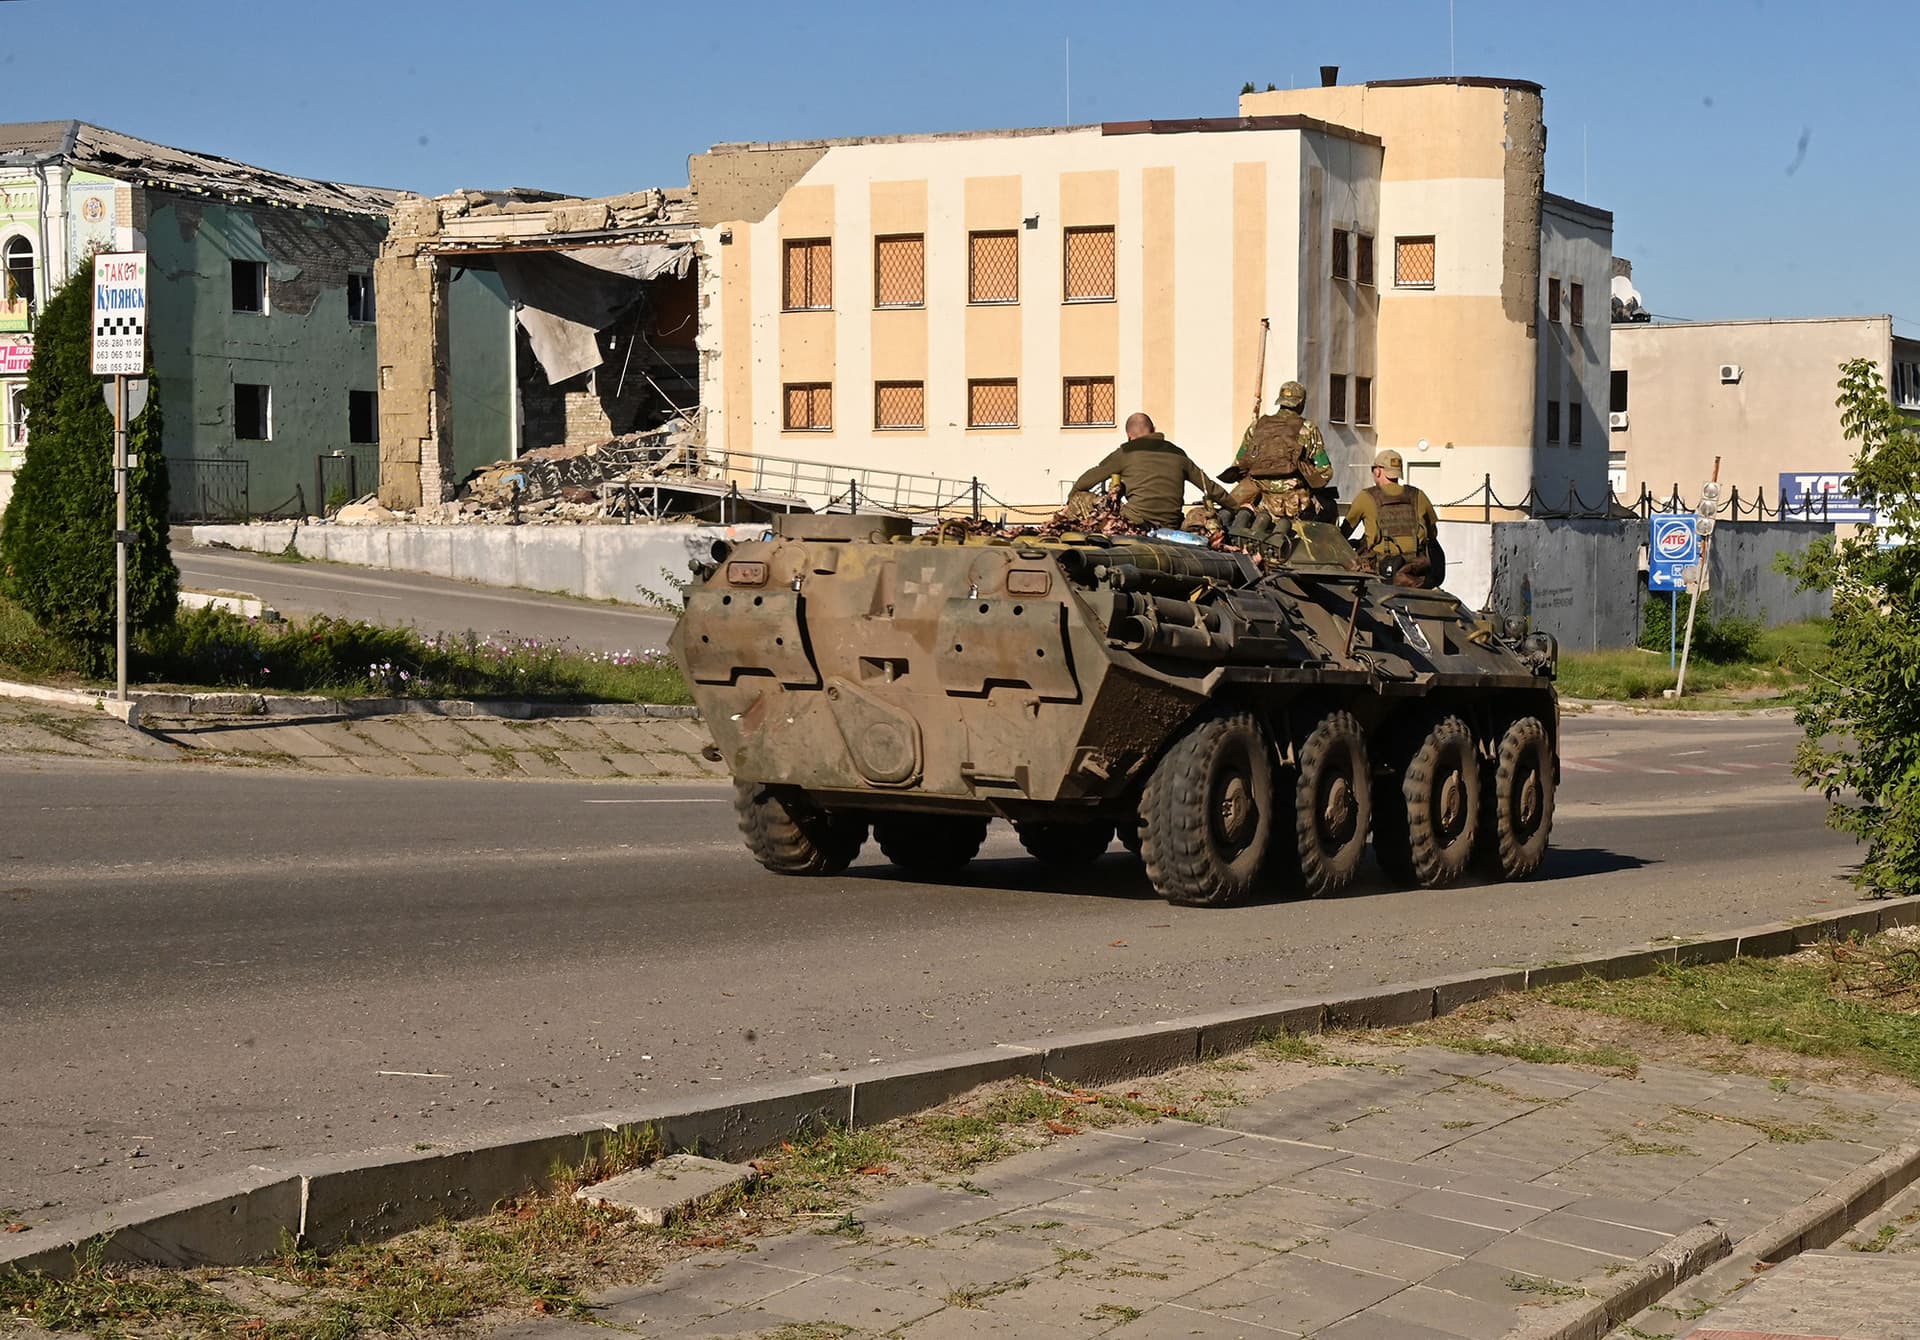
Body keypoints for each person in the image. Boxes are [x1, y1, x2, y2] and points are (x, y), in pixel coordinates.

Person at [1065, 412, 1231, 531]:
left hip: (1134, 522)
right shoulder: (1178, 453)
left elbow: (1087, 480)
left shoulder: (1125, 453)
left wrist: (1071, 500)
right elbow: (1209, 487)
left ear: (1129, 436)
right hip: (1171, 523)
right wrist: (1237, 508)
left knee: (1079, 497)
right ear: (1154, 429)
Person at [1219, 380, 1335, 523]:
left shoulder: (1257, 425)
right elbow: (1324, 470)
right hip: (1291, 503)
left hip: (1257, 498)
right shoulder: (1307, 428)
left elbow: (1239, 463)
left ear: (1281, 401)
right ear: (1300, 403)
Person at [1344, 448, 1441, 585]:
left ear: (1378, 471)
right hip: (1414, 575)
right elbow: (1433, 535)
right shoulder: (1418, 495)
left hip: (1379, 575)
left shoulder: (1366, 497)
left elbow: (1343, 535)